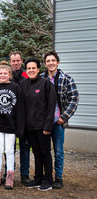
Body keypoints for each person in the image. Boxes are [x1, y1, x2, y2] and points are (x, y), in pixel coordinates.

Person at [41, 51, 78, 189]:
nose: (50, 63)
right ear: (45, 63)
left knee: (58, 151)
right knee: (44, 150)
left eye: (53, 60)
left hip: (58, 122)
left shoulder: (66, 79)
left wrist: (64, 117)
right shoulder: (41, 78)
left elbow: (73, 99)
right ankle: (46, 175)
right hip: (44, 122)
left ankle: (58, 177)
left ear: (57, 62)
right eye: (48, 61)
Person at [0, 65, 25, 190]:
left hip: (11, 126)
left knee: (9, 150)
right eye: (0, 73)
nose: (2, 75)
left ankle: (10, 177)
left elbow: (20, 109)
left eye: (5, 73)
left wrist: (20, 127)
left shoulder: (16, 88)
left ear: (9, 74)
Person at [21, 57, 56, 191]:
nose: (31, 70)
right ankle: (37, 178)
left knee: (45, 152)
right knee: (36, 153)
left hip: (43, 127)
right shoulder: (23, 84)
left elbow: (51, 106)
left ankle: (48, 179)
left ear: (38, 69)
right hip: (30, 127)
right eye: (28, 68)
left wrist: (48, 126)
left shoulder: (46, 84)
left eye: (33, 68)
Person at [8, 51, 31, 185]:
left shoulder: (27, 76)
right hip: (10, 119)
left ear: (22, 61)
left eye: (18, 60)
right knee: (9, 149)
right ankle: (8, 172)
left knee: (24, 148)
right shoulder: (7, 76)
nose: (16, 63)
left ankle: (25, 174)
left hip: (25, 119)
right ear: (10, 62)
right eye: (13, 61)